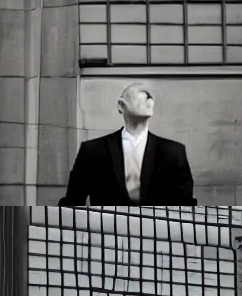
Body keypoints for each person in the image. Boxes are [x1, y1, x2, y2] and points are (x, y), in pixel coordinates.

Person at [59, 83, 196, 205]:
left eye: (149, 96)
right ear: (121, 105)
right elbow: (73, 201)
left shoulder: (173, 152)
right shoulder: (93, 150)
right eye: (140, 94)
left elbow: (184, 204)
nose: (148, 96)